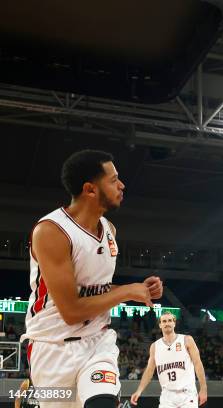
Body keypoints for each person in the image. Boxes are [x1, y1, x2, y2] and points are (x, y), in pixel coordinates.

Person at [21, 149, 163, 408]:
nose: (122, 185)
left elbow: (99, 289)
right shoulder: (52, 231)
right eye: (113, 180)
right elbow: (72, 310)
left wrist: (139, 289)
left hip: (98, 342)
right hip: (52, 347)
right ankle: (32, 396)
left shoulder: (109, 229)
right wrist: (127, 292)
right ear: (90, 189)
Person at [130, 312, 207, 407]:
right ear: (160, 325)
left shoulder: (187, 340)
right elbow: (149, 371)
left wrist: (203, 388)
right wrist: (139, 391)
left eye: (170, 320)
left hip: (187, 394)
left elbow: (198, 364)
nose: (167, 323)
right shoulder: (155, 346)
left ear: (174, 323)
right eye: (164, 321)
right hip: (167, 396)